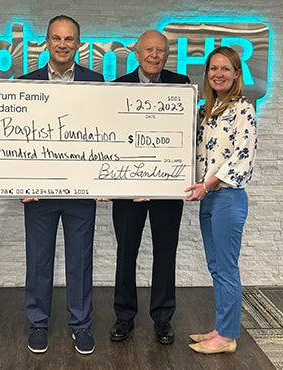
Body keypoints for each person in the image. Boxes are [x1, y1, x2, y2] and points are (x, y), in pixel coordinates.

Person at [18, 15, 104, 355]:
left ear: (79, 44)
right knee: (38, 259)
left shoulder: (96, 82)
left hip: (81, 192)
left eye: (69, 39)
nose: (63, 44)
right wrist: (18, 184)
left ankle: (81, 325)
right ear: (47, 42)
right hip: (39, 192)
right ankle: (37, 323)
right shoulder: (26, 82)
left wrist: (102, 177)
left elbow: (104, 133)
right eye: (57, 38)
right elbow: (16, 137)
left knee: (80, 260)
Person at [109, 30, 190, 345]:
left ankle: (163, 318)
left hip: (168, 188)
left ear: (167, 55)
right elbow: (110, 137)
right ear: (137, 53)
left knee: (165, 252)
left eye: (160, 50)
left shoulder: (181, 85)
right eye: (149, 50)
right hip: (128, 189)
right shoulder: (118, 88)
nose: (155, 55)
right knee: (126, 251)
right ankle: (124, 316)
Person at [184, 46, 257, 354]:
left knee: (226, 267)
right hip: (208, 199)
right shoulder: (204, 111)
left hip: (227, 197)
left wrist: (208, 183)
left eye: (225, 68)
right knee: (216, 266)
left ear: (237, 74)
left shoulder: (244, 109)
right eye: (213, 68)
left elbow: (242, 156)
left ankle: (227, 336)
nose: (218, 74)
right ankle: (221, 327)